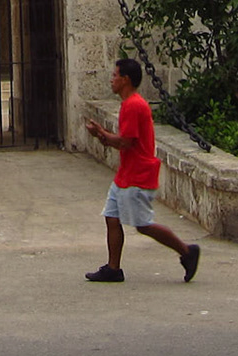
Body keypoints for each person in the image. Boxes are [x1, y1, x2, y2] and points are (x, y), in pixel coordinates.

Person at [83, 58, 200, 283]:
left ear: (125, 80)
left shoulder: (134, 105)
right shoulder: (129, 104)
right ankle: (113, 267)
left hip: (137, 175)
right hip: (127, 174)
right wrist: (103, 135)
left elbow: (127, 142)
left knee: (143, 225)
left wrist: (102, 135)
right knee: (111, 216)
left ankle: (186, 251)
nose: (112, 79)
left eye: (115, 75)